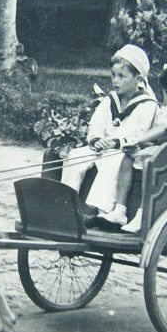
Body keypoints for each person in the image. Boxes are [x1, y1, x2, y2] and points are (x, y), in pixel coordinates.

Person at [101, 52, 167, 233]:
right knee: (129, 156)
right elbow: (155, 129)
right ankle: (120, 209)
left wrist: (139, 139)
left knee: (150, 158)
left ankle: (144, 214)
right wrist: (137, 144)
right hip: (161, 149)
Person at [60, 44, 159, 225]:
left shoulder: (148, 105)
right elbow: (96, 125)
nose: (115, 81)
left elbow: (141, 135)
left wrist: (115, 143)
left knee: (113, 160)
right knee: (75, 156)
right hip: (103, 148)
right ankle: (66, 206)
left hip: (127, 150)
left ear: (138, 79)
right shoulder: (110, 100)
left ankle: (100, 211)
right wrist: (96, 140)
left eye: (122, 76)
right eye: (113, 75)